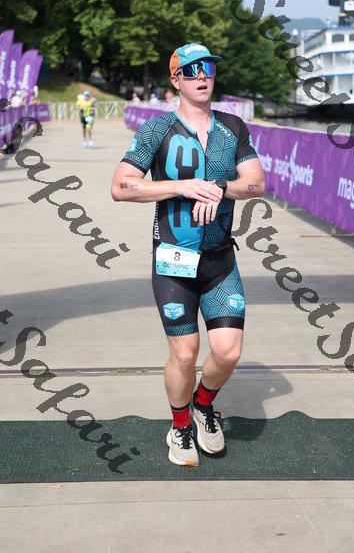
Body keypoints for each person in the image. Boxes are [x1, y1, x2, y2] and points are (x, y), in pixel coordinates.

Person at [111, 43, 265, 467]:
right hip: (173, 260)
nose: (202, 77)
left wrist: (220, 187)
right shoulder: (157, 130)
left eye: (208, 69)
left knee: (228, 352)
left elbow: (255, 183)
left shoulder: (233, 127)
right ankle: (179, 427)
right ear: (176, 80)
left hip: (219, 260)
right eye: (192, 71)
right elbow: (120, 186)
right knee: (184, 353)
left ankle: (202, 406)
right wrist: (182, 187)